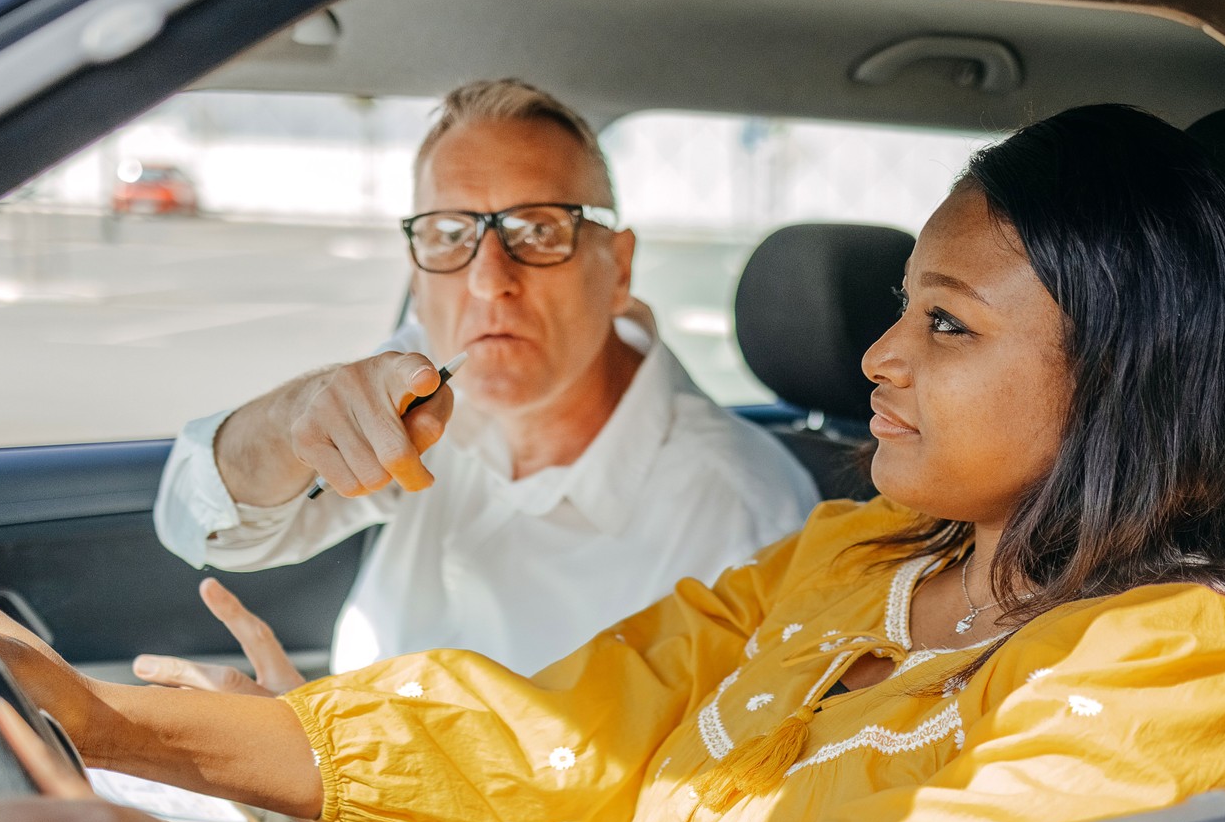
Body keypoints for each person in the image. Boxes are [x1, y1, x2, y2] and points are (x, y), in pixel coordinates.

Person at [0, 104, 1225, 822]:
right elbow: (549, 736)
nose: (877, 357)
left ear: (1119, 376)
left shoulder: (1179, 661)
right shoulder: (855, 558)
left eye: (947, 325)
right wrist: (103, 719)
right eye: (898, 310)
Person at [144, 79, 818, 693]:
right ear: (416, 275)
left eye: (538, 230)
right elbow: (200, 525)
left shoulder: (742, 513)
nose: (488, 278)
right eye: (448, 234)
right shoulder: (414, 393)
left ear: (618, 267)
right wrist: (296, 416)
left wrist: (316, 768)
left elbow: (700, 804)